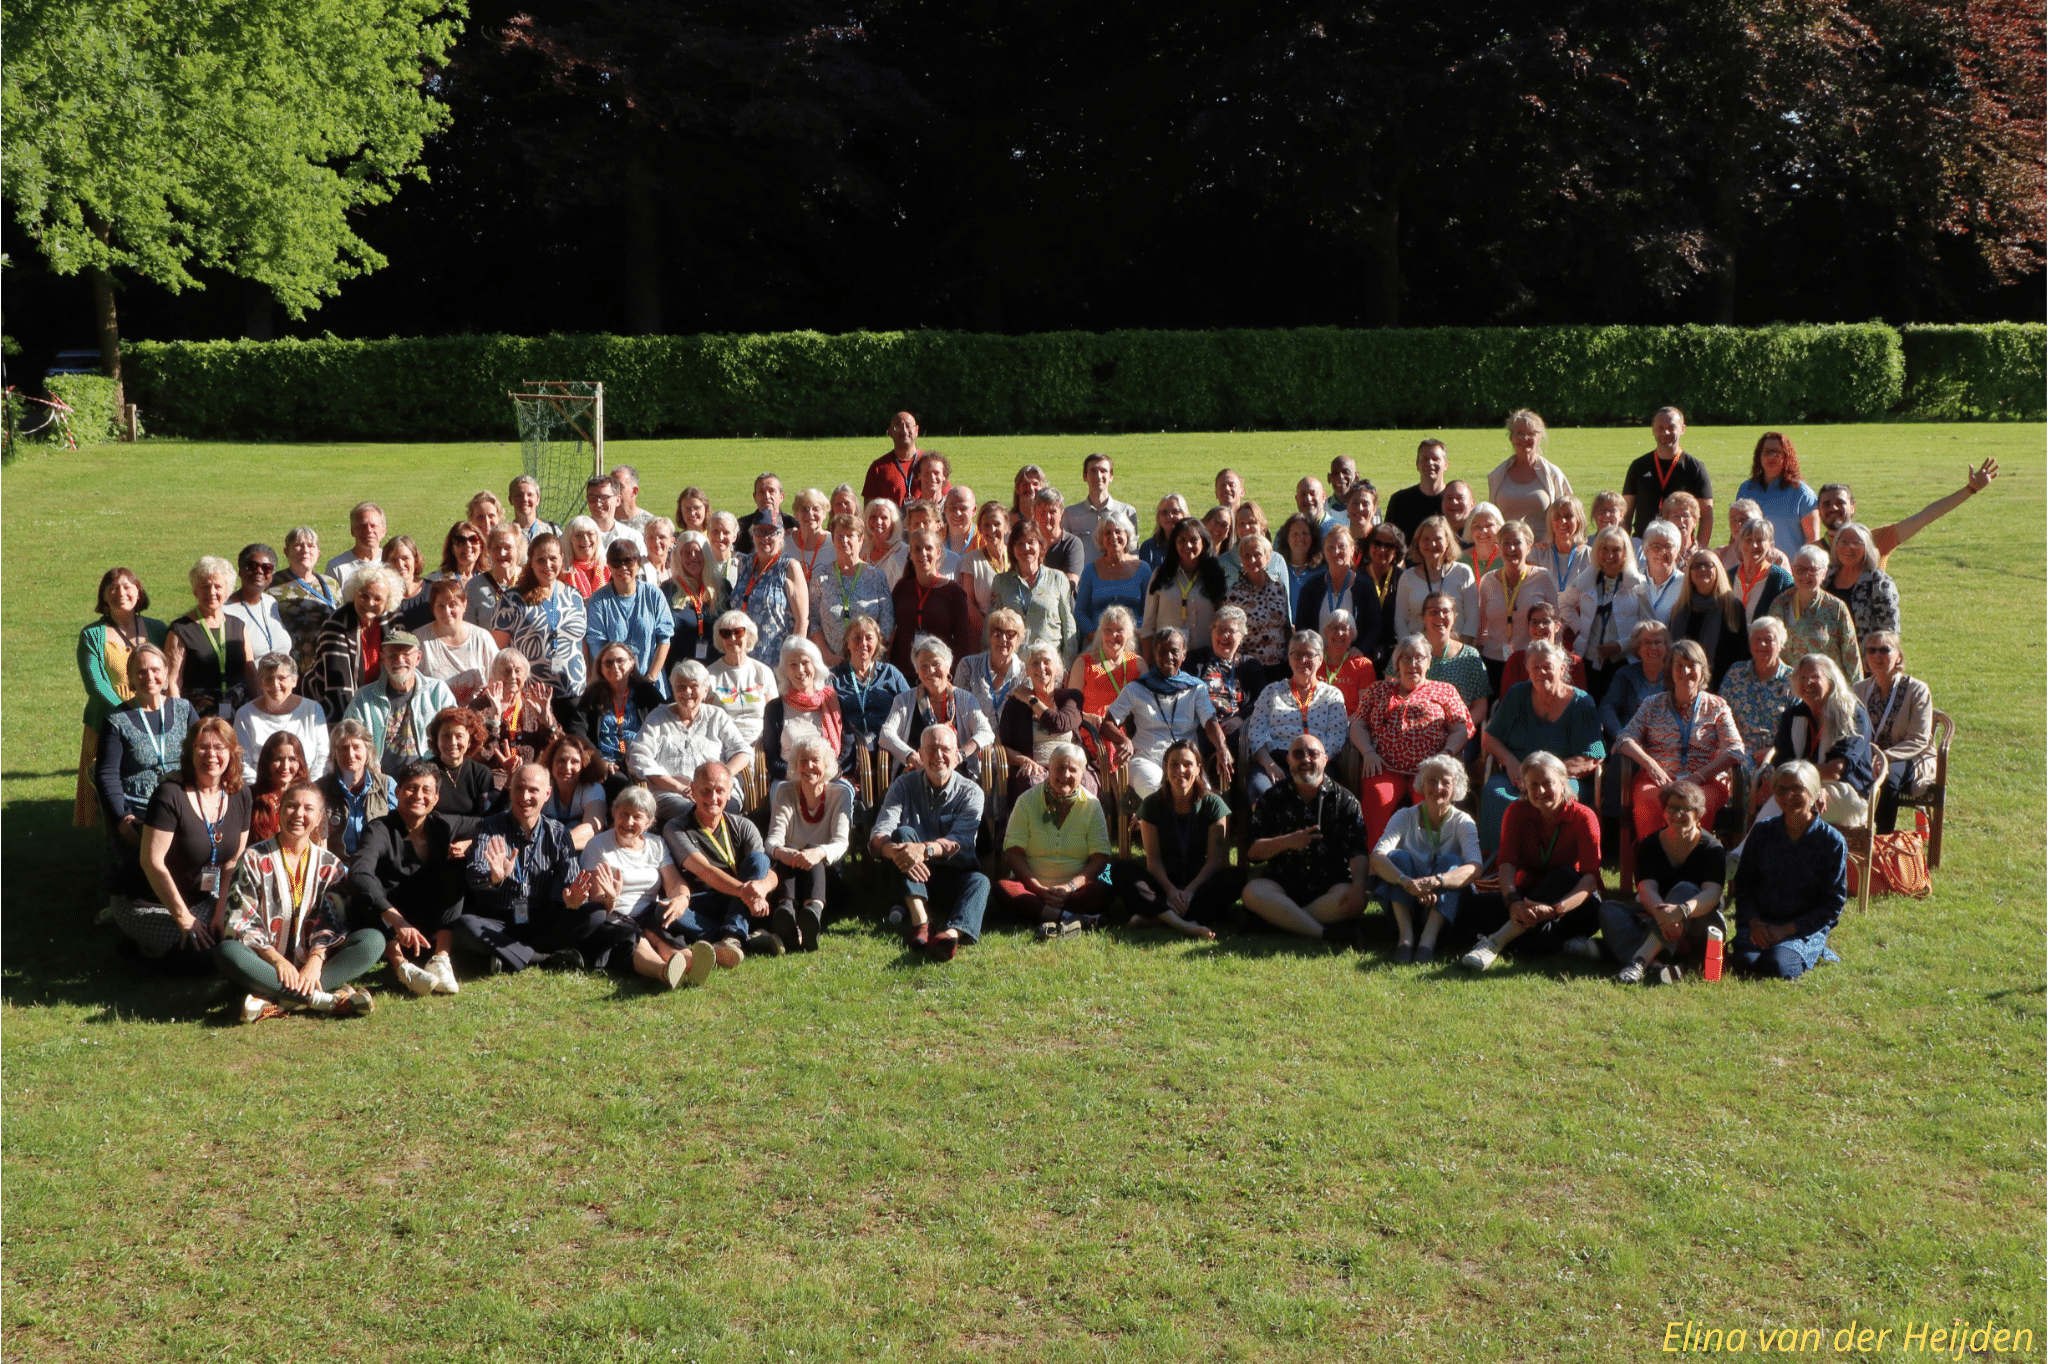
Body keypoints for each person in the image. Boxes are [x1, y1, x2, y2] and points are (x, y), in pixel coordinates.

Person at [214, 782, 378, 1021]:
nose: (299, 814)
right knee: (227, 952)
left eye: (308, 808)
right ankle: (326, 1000)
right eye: (291, 806)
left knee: (373, 941)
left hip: (317, 965)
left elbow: (334, 922)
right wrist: (277, 960)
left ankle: (279, 1000)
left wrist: (314, 960)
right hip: (266, 963)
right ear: (279, 811)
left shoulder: (332, 866)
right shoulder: (252, 858)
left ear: (319, 817)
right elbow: (241, 921)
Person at [460, 762, 639, 974]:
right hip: (499, 919)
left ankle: (511, 955)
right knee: (465, 925)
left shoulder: (557, 833)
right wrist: (494, 877)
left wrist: (571, 901)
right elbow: (473, 874)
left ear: (547, 793)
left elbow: (570, 882)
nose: (525, 797)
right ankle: (544, 957)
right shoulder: (489, 827)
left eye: (533, 790)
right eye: (519, 788)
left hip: (542, 918)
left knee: (596, 913)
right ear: (510, 790)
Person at [111, 718, 252, 973]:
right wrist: (184, 919)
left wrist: (220, 914)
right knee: (205, 957)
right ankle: (142, 948)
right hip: (147, 900)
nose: (211, 755)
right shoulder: (170, 794)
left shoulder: (240, 794)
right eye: (202, 747)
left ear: (231, 752)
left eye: (219, 747)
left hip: (201, 898)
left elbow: (232, 861)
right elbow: (151, 862)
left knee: (236, 942)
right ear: (190, 752)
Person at [1459, 751, 1603, 970]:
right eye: (1533, 785)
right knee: (1472, 905)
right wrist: (1513, 902)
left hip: (1572, 903)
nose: (1540, 791)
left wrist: (1556, 909)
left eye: (1547, 783)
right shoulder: (1516, 811)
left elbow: (1590, 879)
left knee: (1564, 874)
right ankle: (1560, 944)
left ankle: (1495, 941)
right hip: (1526, 897)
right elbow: (1506, 864)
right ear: (1524, 785)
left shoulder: (1583, 817)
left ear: (1563, 783)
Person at [575, 785, 718, 989]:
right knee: (635, 939)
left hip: (648, 913)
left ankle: (690, 963)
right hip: (612, 916)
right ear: (614, 812)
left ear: (649, 822)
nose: (629, 822)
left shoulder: (656, 844)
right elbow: (594, 903)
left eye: (637, 817)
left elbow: (675, 883)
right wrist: (611, 898)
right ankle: (664, 971)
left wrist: (681, 898)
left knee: (659, 933)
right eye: (624, 814)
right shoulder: (597, 846)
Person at [870, 725, 988, 962]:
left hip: (953, 873)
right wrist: (895, 851)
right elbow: (879, 833)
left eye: (945, 749)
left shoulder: (971, 792)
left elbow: (960, 841)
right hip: (908, 875)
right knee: (902, 834)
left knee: (981, 882)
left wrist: (924, 850)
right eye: (931, 749)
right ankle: (921, 922)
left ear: (956, 755)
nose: (938, 756)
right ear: (920, 755)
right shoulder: (903, 786)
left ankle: (949, 935)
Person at [348, 761, 466, 997]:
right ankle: (402, 966)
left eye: (426, 790)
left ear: (436, 798)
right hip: (388, 918)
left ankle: (441, 960)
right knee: (369, 888)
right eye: (411, 788)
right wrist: (396, 919)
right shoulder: (379, 829)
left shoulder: (441, 826)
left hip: (425, 918)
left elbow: (486, 823)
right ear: (397, 792)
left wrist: (468, 843)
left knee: (455, 871)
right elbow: (358, 873)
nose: (418, 796)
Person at [1242, 733, 1370, 944]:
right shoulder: (1272, 798)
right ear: (1289, 760)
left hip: (1330, 887)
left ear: (1325, 760)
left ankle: (1279, 920)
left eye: (1313, 753)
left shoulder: (1345, 801)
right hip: (1282, 885)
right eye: (1298, 754)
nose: (1306, 759)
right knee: (1251, 891)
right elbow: (1252, 852)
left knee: (1355, 897)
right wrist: (1286, 842)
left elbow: (1357, 851)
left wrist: (1358, 886)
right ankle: (1323, 933)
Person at [1599, 779, 1729, 986]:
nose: (1676, 815)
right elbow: (1646, 888)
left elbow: (1712, 894)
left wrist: (1681, 911)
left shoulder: (1712, 848)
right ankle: (1660, 966)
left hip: (1699, 923)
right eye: (1672, 808)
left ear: (1698, 814)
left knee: (1685, 888)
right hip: (1660, 919)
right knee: (1608, 909)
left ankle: (1639, 961)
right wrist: (1663, 916)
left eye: (1684, 809)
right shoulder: (1648, 845)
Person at [1611, 640, 1745, 840]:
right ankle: (1652, 865)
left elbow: (1735, 750)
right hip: (1658, 779)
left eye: (1692, 665)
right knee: (1648, 799)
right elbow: (1624, 738)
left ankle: (1692, 865)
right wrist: (1651, 765)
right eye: (1679, 666)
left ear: (1702, 670)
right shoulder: (1652, 704)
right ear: (1670, 670)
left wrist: (1699, 777)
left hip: (1705, 780)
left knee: (1696, 803)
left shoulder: (1716, 706)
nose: (1685, 671)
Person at [1479, 642, 1604, 856]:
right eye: (1535, 667)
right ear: (1528, 670)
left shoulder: (1582, 703)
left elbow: (1593, 757)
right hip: (1517, 774)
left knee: (1560, 797)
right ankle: (1496, 865)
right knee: (1495, 793)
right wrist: (1510, 762)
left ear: (1562, 669)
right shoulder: (1517, 694)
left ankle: (1553, 864)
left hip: (1563, 776)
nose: (1541, 673)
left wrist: (1545, 778)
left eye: (1547, 667)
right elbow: (1489, 739)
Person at [95, 644, 198, 902]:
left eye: (155, 669)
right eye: (141, 672)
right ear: (130, 677)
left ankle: (197, 896)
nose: (149, 677)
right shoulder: (117, 719)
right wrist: (122, 817)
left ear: (166, 672)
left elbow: (202, 755)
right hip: (141, 808)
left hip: (182, 800)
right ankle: (147, 903)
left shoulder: (184, 709)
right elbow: (107, 775)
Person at [1350, 635, 1474, 845]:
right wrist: (1368, 752)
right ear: (1396, 664)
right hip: (1385, 765)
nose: (1413, 665)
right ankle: (1376, 861)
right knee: (1377, 797)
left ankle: (1428, 862)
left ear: (1428, 662)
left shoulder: (1444, 691)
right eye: (1406, 659)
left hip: (1429, 768)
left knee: (1431, 801)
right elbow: (1358, 724)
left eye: (1419, 658)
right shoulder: (1378, 690)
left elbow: (1461, 729)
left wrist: (1445, 756)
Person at [1729, 761, 1847, 979]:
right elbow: (1744, 883)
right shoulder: (1762, 831)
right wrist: (1754, 923)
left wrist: (1786, 930)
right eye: (1781, 790)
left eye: (1796, 789)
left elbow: (1833, 903)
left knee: (1777, 967)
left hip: (1801, 929)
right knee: (1744, 963)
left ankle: (1811, 949)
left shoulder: (1831, 841)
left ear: (1812, 793)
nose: (1788, 796)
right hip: (1761, 923)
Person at [1114, 740, 1243, 939]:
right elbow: (1153, 861)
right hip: (1163, 884)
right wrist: (1171, 891)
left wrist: (1189, 891)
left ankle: (1157, 916)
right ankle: (1185, 924)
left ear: (1198, 769)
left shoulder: (1213, 804)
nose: (1180, 770)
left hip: (1198, 885)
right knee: (1118, 869)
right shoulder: (1151, 804)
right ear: (1165, 768)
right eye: (1174, 764)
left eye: (1187, 764)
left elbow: (1214, 862)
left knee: (1237, 877)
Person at [77, 567, 170, 827]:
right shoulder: (92, 635)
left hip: (154, 717)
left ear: (138, 593)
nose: (121, 593)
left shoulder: (157, 628)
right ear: (104, 596)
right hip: (109, 719)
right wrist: (127, 713)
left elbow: (168, 669)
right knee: (110, 784)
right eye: (113, 588)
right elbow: (96, 683)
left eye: (128, 587)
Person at [1369, 753, 1481, 964]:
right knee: (1397, 857)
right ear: (1421, 783)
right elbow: (1377, 857)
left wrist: (1437, 881)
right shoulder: (1404, 816)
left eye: (1445, 782)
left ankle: (1427, 942)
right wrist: (1405, 881)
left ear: (1455, 788)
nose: (1437, 787)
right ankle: (1406, 939)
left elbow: (1476, 867)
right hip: (1405, 900)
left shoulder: (1463, 822)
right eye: (1431, 780)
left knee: (1451, 861)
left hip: (1444, 906)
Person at [998, 743, 1114, 938]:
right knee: (1003, 887)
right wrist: (1039, 889)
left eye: (1072, 770)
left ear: (1082, 775)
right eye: (1060, 768)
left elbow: (1100, 858)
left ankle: (1053, 914)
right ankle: (1077, 918)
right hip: (1034, 890)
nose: (1065, 774)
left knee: (1108, 881)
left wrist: (1069, 887)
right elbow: (1013, 853)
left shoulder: (1092, 805)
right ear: (1049, 769)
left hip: (1077, 891)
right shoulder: (1026, 801)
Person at [1103, 627, 1233, 800]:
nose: (1168, 658)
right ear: (1154, 655)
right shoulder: (1136, 689)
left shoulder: (1196, 688)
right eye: (1162, 652)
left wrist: (1222, 748)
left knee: (1207, 801)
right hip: (1147, 760)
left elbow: (1210, 722)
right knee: (1163, 795)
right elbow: (1106, 724)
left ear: (1183, 655)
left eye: (1174, 651)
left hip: (1186, 762)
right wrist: (1123, 739)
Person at [1751, 654, 1874, 831]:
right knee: (1788, 803)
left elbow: (1835, 770)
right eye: (1802, 678)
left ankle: (1745, 854)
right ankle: (1750, 854)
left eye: (1815, 677)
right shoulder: (1792, 716)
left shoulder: (1852, 715)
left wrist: (1810, 786)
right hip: (1800, 789)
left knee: (1788, 805)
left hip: (1848, 794)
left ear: (1831, 681)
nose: (1807, 683)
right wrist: (1808, 787)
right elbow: (1783, 764)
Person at [1813, 459, 2000, 569]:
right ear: (1819, 510)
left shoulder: (1877, 539)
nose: (1833, 508)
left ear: (1853, 507)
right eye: (1827, 504)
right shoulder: (1812, 552)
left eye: (1840, 503)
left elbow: (1925, 517)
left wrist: (1969, 490)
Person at [764, 736, 853, 949]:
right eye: (803, 761)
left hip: (827, 878)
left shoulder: (840, 794)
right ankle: (787, 914)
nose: (809, 766)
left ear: (826, 766)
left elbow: (841, 843)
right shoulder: (785, 791)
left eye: (815, 761)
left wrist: (818, 853)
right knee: (790, 848)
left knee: (813, 848)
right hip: (791, 876)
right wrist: (783, 853)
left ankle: (812, 915)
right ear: (795, 765)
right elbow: (772, 841)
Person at [1244, 631, 1350, 802]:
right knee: (1261, 791)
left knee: (1320, 795)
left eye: (1309, 655)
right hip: (1276, 760)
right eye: (1297, 654)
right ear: (1289, 658)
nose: (1302, 660)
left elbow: (1337, 735)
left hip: (1316, 762)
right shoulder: (1272, 691)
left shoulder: (1332, 695)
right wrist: (1269, 765)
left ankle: (1313, 830)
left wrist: (1318, 762)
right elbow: (1255, 732)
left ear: (1320, 658)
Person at [1851, 631, 1936, 834]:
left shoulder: (1917, 690)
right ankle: (1852, 837)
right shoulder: (1859, 690)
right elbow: (1850, 729)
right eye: (1872, 650)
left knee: (1886, 778)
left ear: (1898, 656)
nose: (1877, 656)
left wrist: (1884, 756)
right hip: (1867, 755)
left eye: (1884, 650)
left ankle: (1882, 840)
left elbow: (1918, 740)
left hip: (1909, 756)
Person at [341, 630, 458, 775]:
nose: (400, 660)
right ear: (382, 658)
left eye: (406, 654)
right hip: (380, 780)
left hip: (430, 777)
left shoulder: (438, 692)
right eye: (392, 655)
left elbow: (455, 733)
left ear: (418, 658)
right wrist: (372, 771)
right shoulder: (364, 697)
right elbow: (348, 739)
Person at [881, 635, 993, 779]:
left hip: (956, 775)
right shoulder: (904, 700)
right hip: (915, 773)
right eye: (924, 666)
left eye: (936, 664)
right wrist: (912, 756)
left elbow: (986, 732)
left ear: (948, 668)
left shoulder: (965, 699)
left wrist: (960, 755)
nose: (930, 670)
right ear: (917, 672)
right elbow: (886, 734)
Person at [583, 541, 675, 699]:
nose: (623, 567)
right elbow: (597, 645)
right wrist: (616, 680)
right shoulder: (598, 600)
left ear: (638, 563)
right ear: (609, 567)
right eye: (616, 563)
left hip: (651, 682)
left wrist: (650, 677)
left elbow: (664, 639)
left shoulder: (654, 595)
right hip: (613, 685)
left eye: (628, 561)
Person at [1476, 519, 1559, 694]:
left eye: (1517, 543)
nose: (1511, 549)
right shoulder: (1488, 581)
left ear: (1529, 547)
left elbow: (1556, 622)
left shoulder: (1543, 577)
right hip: (1493, 660)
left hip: (1531, 661)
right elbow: (1481, 626)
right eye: (1506, 543)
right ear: (1498, 547)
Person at [563, 641, 667, 778]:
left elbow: (667, 717)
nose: (615, 666)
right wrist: (598, 758)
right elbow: (577, 728)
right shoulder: (593, 693)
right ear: (601, 668)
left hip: (643, 761)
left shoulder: (646, 692)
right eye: (608, 663)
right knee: (618, 782)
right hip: (608, 763)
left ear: (632, 664)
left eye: (620, 661)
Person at [308, 564, 398, 722]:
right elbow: (338, 689)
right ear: (354, 593)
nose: (370, 603)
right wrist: (351, 724)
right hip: (335, 701)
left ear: (387, 602)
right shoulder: (336, 626)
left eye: (378, 599)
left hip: (377, 701)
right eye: (364, 595)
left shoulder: (391, 624)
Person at [1563, 526, 1643, 701]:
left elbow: (1647, 628)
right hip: (1589, 659)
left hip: (1622, 662)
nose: (1609, 555)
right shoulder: (1588, 578)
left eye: (1616, 550)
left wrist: (1621, 645)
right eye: (1604, 549)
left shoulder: (1637, 584)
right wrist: (1581, 630)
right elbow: (1564, 604)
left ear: (1625, 553)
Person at [163, 556, 250, 717]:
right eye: (205, 586)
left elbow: (250, 672)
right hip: (198, 712)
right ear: (195, 591)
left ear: (228, 590)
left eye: (218, 586)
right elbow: (173, 681)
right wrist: (180, 719)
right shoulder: (181, 629)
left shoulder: (238, 626)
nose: (212, 592)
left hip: (238, 710)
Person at [758, 638, 853, 782]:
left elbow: (848, 745)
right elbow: (771, 758)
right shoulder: (774, 708)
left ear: (815, 666)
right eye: (793, 665)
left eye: (805, 663)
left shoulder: (833, 702)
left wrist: (827, 773)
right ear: (786, 672)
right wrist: (802, 777)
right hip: (789, 780)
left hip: (830, 778)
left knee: (841, 797)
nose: (800, 670)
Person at [1717, 616, 1797, 784]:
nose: (1761, 645)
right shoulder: (1736, 673)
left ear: (1781, 645)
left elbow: (1799, 727)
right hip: (1738, 750)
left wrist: (1776, 750)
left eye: (1768, 640)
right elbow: (1718, 714)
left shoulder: (1793, 680)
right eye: (1757, 640)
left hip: (1779, 753)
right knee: (1734, 773)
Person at [809, 512, 893, 668]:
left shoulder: (876, 576)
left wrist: (867, 657)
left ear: (861, 540)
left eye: (850, 536)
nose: (844, 541)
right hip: (831, 664)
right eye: (839, 536)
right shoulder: (820, 576)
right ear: (833, 540)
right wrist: (828, 657)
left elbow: (887, 623)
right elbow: (813, 622)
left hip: (869, 664)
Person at [1768, 545, 1862, 682]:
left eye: (1813, 570)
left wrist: (1856, 693)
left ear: (1824, 573)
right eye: (1800, 570)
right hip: (1788, 688)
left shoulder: (1835, 608)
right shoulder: (1780, 604)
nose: (1805, 576)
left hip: (1825, 688)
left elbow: (1851, 654)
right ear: (1792, 571)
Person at [991, 521, 1080, 665]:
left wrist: (1067, 666)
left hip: (1049, 665)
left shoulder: (1057, 578)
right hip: (1012, 665)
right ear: (1012, 549)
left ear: (1041, 546)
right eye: (1019, 543)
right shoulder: (1001, 582)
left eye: (1031, 542)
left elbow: (1069, 625)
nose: (1026, 548)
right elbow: (991, 626)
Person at [233, 652, 329, 785]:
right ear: (260, 682)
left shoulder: (312, 710)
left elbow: (323, 756)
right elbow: (241, 763)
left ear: (294, 680)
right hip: (262, 793)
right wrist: (268, 789)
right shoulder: (245, 715)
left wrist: (307, 788)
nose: (275, 685)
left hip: (307, 790)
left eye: (282, 678)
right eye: (269, 679)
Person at [889, 529, 973, 676]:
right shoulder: (902, 587)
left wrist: (955, 678)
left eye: (929, 548)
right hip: (902, 674)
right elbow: (889, 629)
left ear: (939, 552)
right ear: (910, 553)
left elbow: (963, 642)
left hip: (937, 675)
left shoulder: (954, 592)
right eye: (917, 548)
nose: (923, 554)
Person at [1141, 518, 1227, 661]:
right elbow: (1147, 627)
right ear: (1174, 544)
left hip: (1206, 659)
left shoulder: (1216, 576)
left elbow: (1222, 621)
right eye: (1181, 540)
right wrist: (1148, 663)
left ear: (1204, 543)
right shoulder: (1160, 575)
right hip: (1167, 660)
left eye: (1194, 540)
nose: (1188, 545)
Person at [1621, 407, 1714, 537]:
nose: (1665, 432)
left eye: (1671, 427)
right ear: (1653, 430)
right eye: (1660, 428)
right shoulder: (1639, 466)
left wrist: (1700, 550)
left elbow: (1707, 515)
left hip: (1681, 546)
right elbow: (1625, 514)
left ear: (1682, 429)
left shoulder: (1695, 468)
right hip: (1642, 544)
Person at [830, 614, 910, 765]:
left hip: (889, 751)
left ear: (878, 643)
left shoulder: (891, 673)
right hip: (848, 753)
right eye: (857, 637)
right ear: (847, 642)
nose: (863, 643)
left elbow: (911, 706)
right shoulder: (834, 677)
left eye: (869, 638)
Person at [1669, 550, 1748, 689]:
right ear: (1689, 573)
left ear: (1717, 569)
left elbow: (1742, 654)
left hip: (1722, 687)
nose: (1702, 569)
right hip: (1683, 688)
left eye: (1707, 565)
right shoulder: (1680, 608)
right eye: (1696, 566)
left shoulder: (1733, 608)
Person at [1185, 605, 1259, 755]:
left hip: (1237, 729)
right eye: (1219, 630)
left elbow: (1262, 700)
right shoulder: (1196, 659)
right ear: (1212, 632)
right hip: (1203, 726)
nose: (1225, 636)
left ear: (1242, 635)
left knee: (1239, 743)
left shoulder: (1250, 665)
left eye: (1231, 631)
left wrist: (1239, 719)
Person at [470, 648, 559, 770]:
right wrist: (494, 720)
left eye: (518, 671)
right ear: (495, 675)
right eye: (506, 671)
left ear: (526, 675)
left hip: (532, 775)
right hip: (496, 778)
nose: (512, 676)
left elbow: (559, 749)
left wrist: (548, 723)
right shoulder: (479, 707)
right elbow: (481, 756)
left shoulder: (535, 701)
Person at [1394, 516, 1478, 643]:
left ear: (1448, 541)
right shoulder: (1407, 577)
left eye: (1438, 539)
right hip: (1418, 654)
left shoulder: (1463, 572)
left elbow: (1473, 617)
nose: (1432, 544)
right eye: (1426, 539)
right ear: (1418, 542)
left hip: (1455, 651)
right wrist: (1412, 649)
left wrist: (1460, 649)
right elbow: (1400, 621)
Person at [270, 527, 341, 675]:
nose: (305, 550)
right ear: (286, 551)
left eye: (311, 545)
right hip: (290, 667)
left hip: (329, 662)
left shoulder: (330, 584)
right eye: (298, 545)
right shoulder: (271, 585)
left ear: (318, 553)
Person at [1420, 592, 1491, 740]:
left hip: (1458, 733)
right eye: (1434, 612)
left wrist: (1459, 731)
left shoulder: (1470, 656)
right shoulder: (1408, 652)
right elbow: (1393, 692)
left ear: (1454, 617)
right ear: (1423, 618)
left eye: (1446, 612)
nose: (1440, 616)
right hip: (1416, 732)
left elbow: (1480, 706)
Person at [416, 577, 499, 701]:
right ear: (432, 608)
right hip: (436, 716)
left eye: (452, 605)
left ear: (464, 605)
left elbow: (498, 678)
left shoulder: (482, 638)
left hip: (478, 714)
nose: (447, 611)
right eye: (440, 606)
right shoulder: (420, 639)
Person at [1735, 431, 1820, 552]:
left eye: (1777, 452)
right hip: (1751, 567)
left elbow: (1813, 539)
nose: (1771, 456)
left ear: (1787, 457)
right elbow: (1736, 534)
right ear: (1759, 456)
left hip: (1789, 568)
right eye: (1767, 452)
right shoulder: (1746, 489)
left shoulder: (1801, 493)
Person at [319, 719, 392, 859]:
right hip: (337, 868)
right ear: (334, 753)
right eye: (344, 748)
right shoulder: (320, 790)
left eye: (357, 747)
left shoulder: (386, 786)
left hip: (378, 865)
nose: (351, 754)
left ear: (368, 751)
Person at [1487, 409, 1574, 527]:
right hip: (1509, 544)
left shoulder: (1553, 474)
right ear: (1512, 437)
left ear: (1539, 437)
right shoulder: (1497, 475)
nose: (1524, 438)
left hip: (1543, 544)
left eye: (1531, 433)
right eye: (1519, 433)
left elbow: (1570, 515)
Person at [1222, 531, 1292, 673]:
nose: (1252, 560)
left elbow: (1286, 627)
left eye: (1257, 555)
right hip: (1249, 668)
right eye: (1246, 556)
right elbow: (1228, 633)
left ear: (1268, 557)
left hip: (1280, 666)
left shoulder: (1279, 587)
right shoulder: (1233, 594)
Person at [1597, 620, 1672, 751]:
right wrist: (1620, 735)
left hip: (1667, 744)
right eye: (1647, 642)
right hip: (1630, 743)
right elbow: (1607, 707)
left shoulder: (1675, 676)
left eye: (1658, 642)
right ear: (1638, 648)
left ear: (1666, 648)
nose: (1653, 647)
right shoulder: (1625, 674)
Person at [706, 610, 777, 745]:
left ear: (748, 636)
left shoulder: (763, 672)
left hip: (760, 744)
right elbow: (703, 717)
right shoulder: (710, 674)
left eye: (738, 632)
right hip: (724, 744)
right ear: (720, 638)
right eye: (726, 634)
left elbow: (774, 716)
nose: (732, 639)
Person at [662, 529, 728, 669]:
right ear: (679, 556)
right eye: (687, 552)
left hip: (716, 668)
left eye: (698, 552)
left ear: (706, 555)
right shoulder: (668, 589)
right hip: (678, 668)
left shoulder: (722, 587)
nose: (693, 557)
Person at [1824, 523, 1900, 642]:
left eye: (1856, 543)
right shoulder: (1825, 575)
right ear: (1835, 545)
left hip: (1863, 655)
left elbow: (1889, 630)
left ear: (1868, 548)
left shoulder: (1878, 581)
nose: (1849, 547)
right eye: (1843, 542)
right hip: (1826, 654)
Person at [1062, 452, 1137, 566]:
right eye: (1093, 471)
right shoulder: (1070, 514)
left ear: (1111, 476)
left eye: (1103, 471)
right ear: (1085, 476)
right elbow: (1065, 553)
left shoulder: (1127, 512)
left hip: (1119, 579)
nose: (1098, 475)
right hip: (1082, 581)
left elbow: (1133, 553)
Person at [536, 733, 608, 850]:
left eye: (574, 762)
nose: (567, 767)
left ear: (584, 765)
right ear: (551, 763)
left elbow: (592, 829)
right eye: (561, 760)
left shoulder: (593, 789)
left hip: (578, 853)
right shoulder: (543, 786)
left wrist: (556, 846)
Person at [955, 607, 1027, 723]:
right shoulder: (968, 666)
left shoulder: (1025, 673)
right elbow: (958, 711)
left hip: (1011, 740)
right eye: (997, 633)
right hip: (974, 738)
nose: (1003, 639)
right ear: (989, 635)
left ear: (1018, 640)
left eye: (1010, 634)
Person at [224, 544, 293, 662]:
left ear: (272, 575)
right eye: (252, 566)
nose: (259, 571)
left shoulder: (270, 603)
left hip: (281, 678)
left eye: (266, 568)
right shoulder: (225, 609)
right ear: (240, 571)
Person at [1501, 600, 1587, 694]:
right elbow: (1506, 700)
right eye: (1534, 622)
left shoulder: (1573, 662)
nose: (1540, 627)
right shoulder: (1516, 660)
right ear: (1528, 627)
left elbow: (1579, 703)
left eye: (1546, 622)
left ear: (1557, 626)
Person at [955, 500, 1010, 635]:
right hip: (983, 633)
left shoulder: (1017, 556)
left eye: (997, 524)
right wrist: (990, 633)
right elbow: (969, 603)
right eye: (987, 525)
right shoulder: (971, 560)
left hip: (1014, 632)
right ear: (979, 529)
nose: (992, 530)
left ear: (1006, 526)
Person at [467, 525, 527, 648]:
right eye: (496, 548)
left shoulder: (529, 581)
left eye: (508, 547)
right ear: (488, 550)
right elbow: (468, 634)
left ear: (519, 549)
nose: (502, 553)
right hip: (491, 659)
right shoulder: (474, 587)